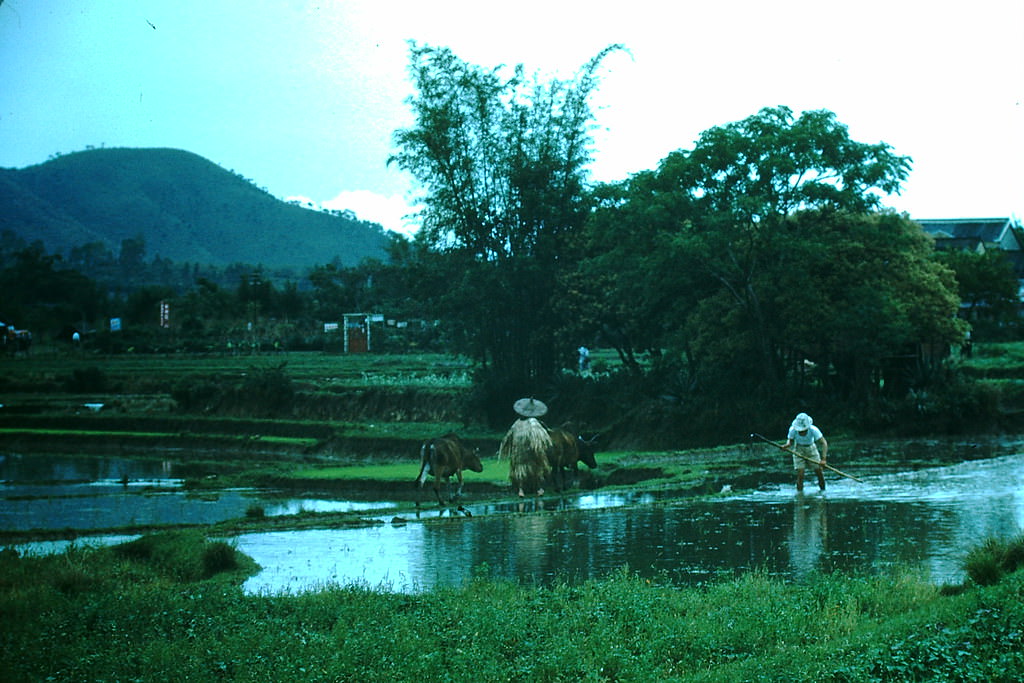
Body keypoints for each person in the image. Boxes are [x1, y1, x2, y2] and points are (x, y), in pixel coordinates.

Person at [498, 398, 552, 497]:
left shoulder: (516, 423)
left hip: (518, 454)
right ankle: (538, 489)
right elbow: (540, 439)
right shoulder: (533, 423)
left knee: (520, 472)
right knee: (536, 469)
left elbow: (507, 438)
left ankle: (521, 490)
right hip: (530, 452)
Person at [783, 412, 828, 492]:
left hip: (811, 448)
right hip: (798, 449)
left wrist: (823, 459)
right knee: (800, 474)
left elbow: (824, 443)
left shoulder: (813, 430)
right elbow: (790, 442)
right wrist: (786, 446)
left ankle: (823, 492)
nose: (801, 432)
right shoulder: (792, 430)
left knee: (819, 472)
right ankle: (800, 495)